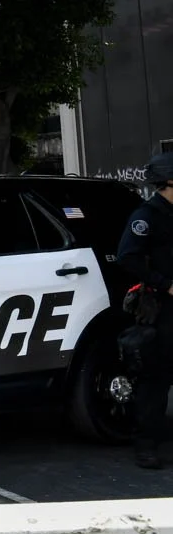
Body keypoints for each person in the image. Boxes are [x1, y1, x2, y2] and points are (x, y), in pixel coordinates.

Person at [116, 151, 173, 469]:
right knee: (156, 377)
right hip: (162, 307)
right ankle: (146, 444)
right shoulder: (147, 216)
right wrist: (164, 283)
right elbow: (128, 257)